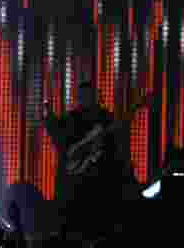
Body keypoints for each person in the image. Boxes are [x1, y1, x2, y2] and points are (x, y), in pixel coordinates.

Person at [42, 80, 131, 241]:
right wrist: (49, 118)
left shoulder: (105, 118)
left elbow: (115, 147)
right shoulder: (72, 118)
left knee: (96, 227)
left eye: (89, 95)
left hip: (99, 184)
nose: (85, 99)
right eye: (82, 96)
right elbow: (60, 138)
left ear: (95, 97)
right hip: (76, 186)